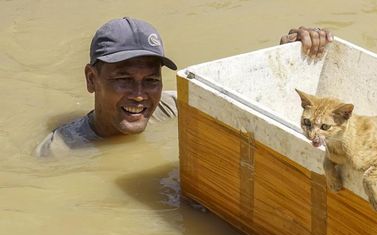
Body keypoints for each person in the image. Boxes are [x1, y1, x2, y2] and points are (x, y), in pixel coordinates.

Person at [35, 17, 333, 157]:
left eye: (151, 80)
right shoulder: (60, 151)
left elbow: (243, 101)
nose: (139, 95)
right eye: (123, 79)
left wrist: (287, 56)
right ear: (91, 79)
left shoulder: (174, 107)